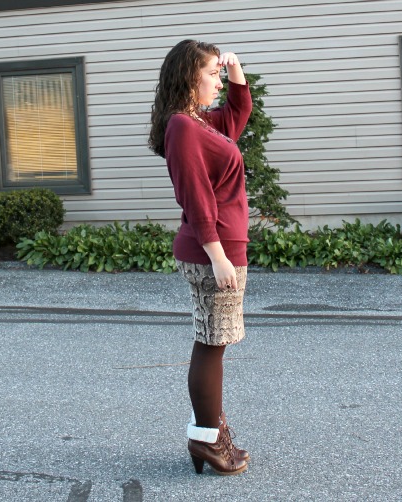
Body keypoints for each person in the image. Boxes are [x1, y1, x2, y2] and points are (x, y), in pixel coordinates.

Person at [148, 39, 252, 476]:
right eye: (211, 74)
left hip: (222, 248)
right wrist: (218, 257)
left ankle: (208, 432)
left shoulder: (200, 122)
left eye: (218, 75)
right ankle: (206, 439)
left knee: (215, 341)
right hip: (214, 251)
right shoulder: (183, 127)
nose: (218, 82)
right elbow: (194, 196)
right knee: (211, 343)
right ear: (189, 77)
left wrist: (235, 69)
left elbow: (237, 116)